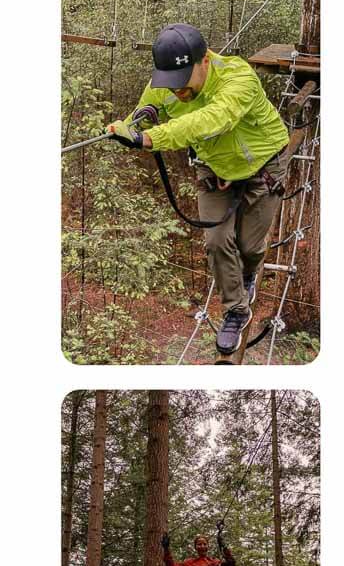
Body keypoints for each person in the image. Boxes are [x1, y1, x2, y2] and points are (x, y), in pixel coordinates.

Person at [105, 23, 289, 355]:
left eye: (182, 83)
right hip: (214, 169)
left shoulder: (239, 79)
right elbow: (146, 112)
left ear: (204, 61)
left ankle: (248, 273)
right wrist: (134, 122)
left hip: (263, 167)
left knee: (250, 247)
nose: (176, 92)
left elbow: (213, 118)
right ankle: (236, 309)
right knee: (217, 242)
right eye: (169, 85)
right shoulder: (165, 83)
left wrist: (151, 138)